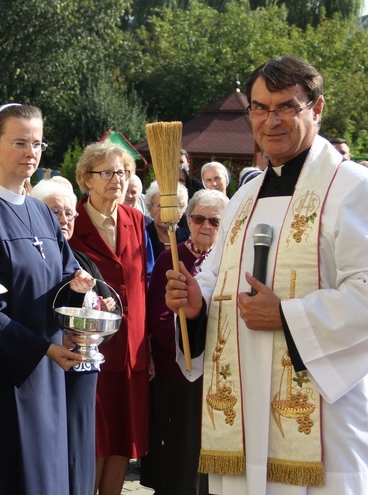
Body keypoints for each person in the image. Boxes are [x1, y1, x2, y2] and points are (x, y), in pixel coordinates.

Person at [164, 56, 368, 493]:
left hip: (330, 415)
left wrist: (288, 316)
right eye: (260, 108)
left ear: (316, 109)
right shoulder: (244, 197)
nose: (270, 120)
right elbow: (217, 278)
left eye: (286, 107)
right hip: (246, 407)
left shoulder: (356, 189)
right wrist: (196, 302)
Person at [0, 103, 94, 494]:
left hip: (44, 369)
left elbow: (59, 278)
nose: (32, 153)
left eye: (38, 144)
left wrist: (75, 287)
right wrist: (43, 350)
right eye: (20, 143)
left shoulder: (41, 213)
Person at [68, 140, 150, 495]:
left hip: (132, 350)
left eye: (122, 172)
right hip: (91, 350)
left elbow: (141, 283)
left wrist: (146, 352)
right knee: (95, 441)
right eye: (107, 173)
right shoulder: (74, 222)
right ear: (86, 179)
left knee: (123, 440)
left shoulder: (135, 219)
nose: (117, 179)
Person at [31, 178, 117, 495]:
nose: (65, 220)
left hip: (84, 367)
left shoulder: (81, 259)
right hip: (50, 366)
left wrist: (104, 305)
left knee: (82, 444)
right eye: (56, 212)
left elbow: (104, 301)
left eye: (70, 213)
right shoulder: (37, 260)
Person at [140, 189, 228, 495]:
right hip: (178, 369)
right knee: (180, 452)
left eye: (215, 221)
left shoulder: (229, 261)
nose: (206, 226)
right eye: (199, 218)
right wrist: (190, 336)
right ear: (187, 221)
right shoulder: (171, 257)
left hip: (219, 374)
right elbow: (159, 317)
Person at [144, 180, 189, 260]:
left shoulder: (188, 238)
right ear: (150, 210)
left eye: (171, 206)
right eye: (160, 206)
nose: (165, 211)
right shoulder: (143, 237)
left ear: (181, 212)